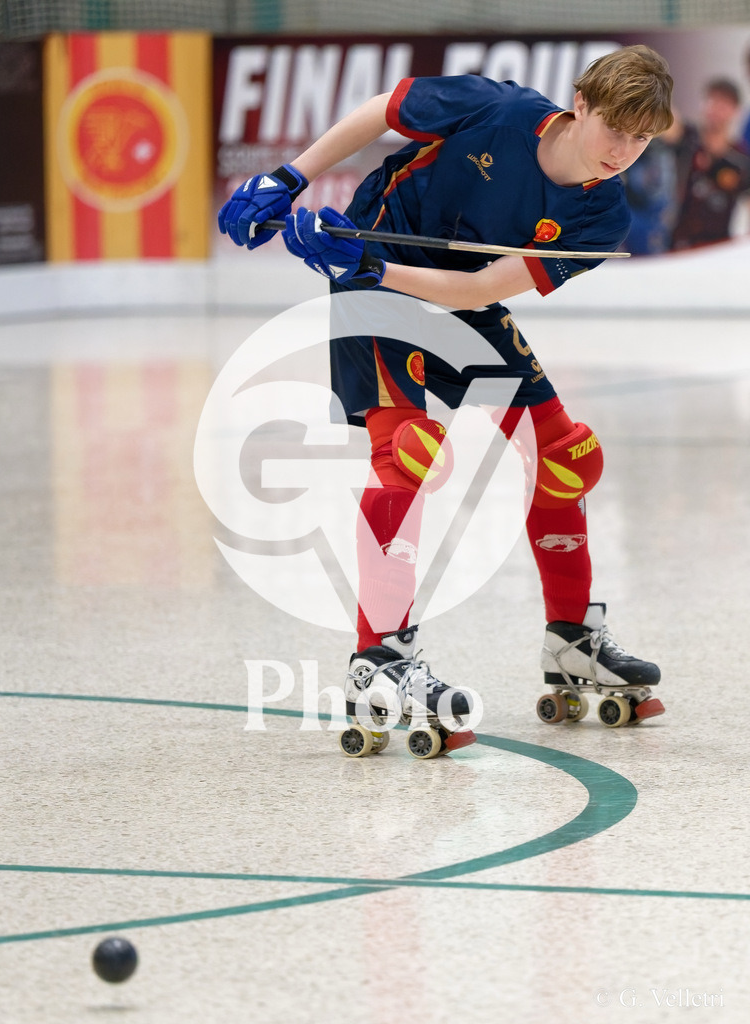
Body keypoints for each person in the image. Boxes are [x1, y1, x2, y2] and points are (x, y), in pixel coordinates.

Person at [218, 44, 673, 752]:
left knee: (564, 456)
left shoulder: (602, 216)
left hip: (438, 285)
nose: (624, 149)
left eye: (642, 137)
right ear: (579, 104)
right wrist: (288, 178)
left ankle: (572, 640)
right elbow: (384, 110)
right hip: (377, 271)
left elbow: (479, 291)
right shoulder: (499, 110)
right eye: (615, 126)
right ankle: (381, 658)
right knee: (407, 457)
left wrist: (377, 267)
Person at [668, 77, 750, 251]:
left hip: (717, 249)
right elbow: (665, 121)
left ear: (735, 110)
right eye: (712, 100)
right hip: (679, 242)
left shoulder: (741, 158)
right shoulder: (687, 138)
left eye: (724, 103)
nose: (717, 109)